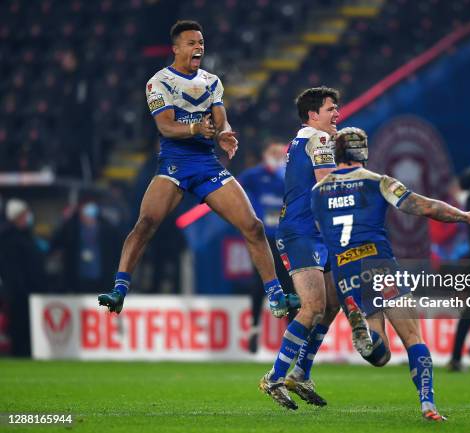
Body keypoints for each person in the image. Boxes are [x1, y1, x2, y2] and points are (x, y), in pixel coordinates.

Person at [98, 21, 292, 319]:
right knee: (146, 222)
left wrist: (225, 134)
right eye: (191, 42)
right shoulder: (159, 82)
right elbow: (165, 126)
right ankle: (120, 289)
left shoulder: (212, 81)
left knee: (253, 226)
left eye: (200, 42)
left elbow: (221, 119)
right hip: (174, 164)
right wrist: (195, 127)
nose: (198, 47)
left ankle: (276, 296)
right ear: (176, 48)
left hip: (206, 164)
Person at [311, 127, 470, 421]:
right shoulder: (378, 182)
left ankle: (364, 331)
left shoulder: (317, 193)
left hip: (345, 272)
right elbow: (425, 207)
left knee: (381, 356)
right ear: (362, 151)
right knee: (412, 336)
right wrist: (464, 215)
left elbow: (319, 232)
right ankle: (427, 403)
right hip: (379, 266)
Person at [259, 87, 369, 410]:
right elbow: (325, 184)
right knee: (312, 307)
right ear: (312, 115)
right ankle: (275, 376)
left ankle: (301, 373)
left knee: (332, 302)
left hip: (315, 232)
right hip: (303, 232)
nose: (338, 114)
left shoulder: (300, 140)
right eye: (331, 109)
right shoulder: (319, 140)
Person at [239, 140, 296, 353]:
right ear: (265, 154)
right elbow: (236, 189)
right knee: (259, 281)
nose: (276, 156)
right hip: (261, 239)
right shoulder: (254, 176)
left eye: (280, 153)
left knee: (288, 283)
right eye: (273, 152)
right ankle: (254, 328)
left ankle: (291, 332)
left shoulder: (288, 176)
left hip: (284, 238)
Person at [0, 199, 47, 357]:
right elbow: (11, 269)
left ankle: (26, 353)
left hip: (29, 291)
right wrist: (19, 289)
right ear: (18, 216)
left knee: (28, 328)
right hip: (18, 293)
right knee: (19, 328)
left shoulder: (26, 235)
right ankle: (19, 354)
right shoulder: (8, 238)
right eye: (25, 214)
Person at [50, 200, 121, 294]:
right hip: (78, 279)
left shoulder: (107, 229)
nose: (88, 218)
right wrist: (67, 220)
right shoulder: (72, 229)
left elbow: (117, 247)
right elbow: (56, 242)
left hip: (101, 278)